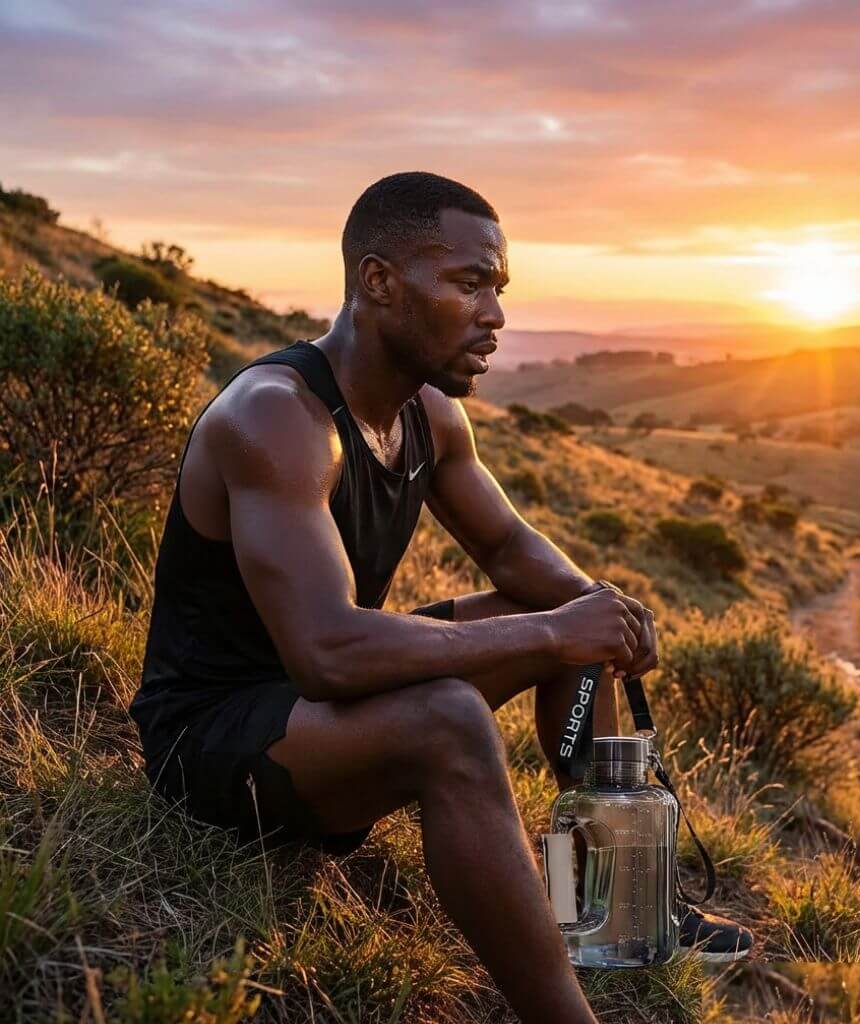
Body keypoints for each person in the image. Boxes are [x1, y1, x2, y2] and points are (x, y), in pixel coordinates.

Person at [129, 171, 750, 1024]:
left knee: (569, 624)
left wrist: (600, 615)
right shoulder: (278, 418)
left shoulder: (429, 413)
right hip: (212, 737)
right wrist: (556, 627)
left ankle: (611, 905)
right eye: (469, 284)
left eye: (498, 288)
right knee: (452, 715)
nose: (494, 314)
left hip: (318, 705)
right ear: (378, 281)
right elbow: (330, 651)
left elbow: (506, 547)